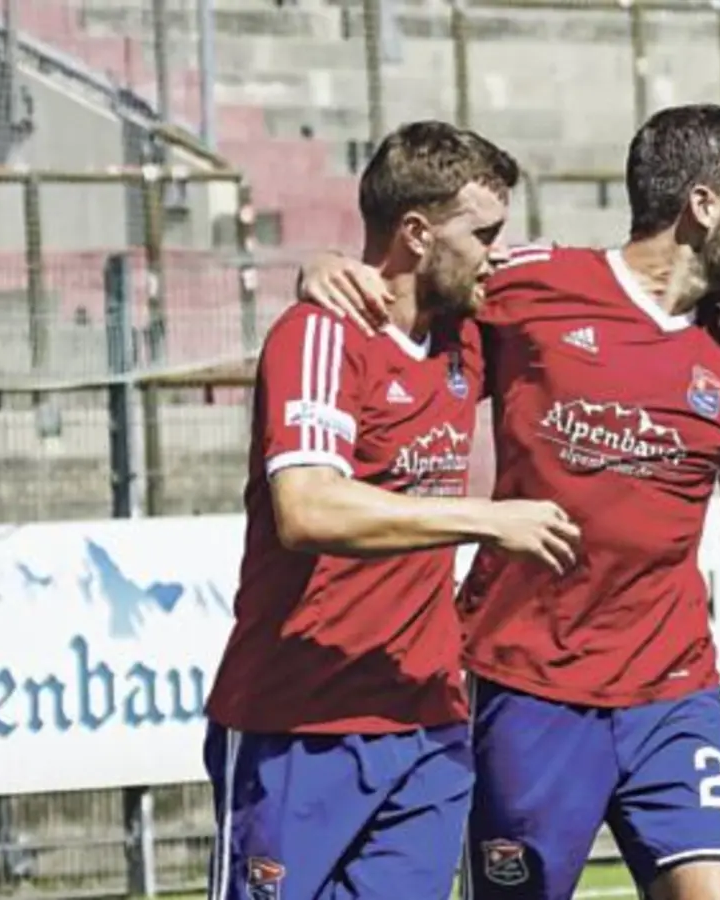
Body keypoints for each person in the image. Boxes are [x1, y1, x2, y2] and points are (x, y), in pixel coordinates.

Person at [297, 104, 720, 900]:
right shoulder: (534, 284)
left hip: (673, 689)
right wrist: (324, 266)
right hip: (524, 688)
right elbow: (416, 277)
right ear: (703, 204)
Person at [201, 120, 582, 900]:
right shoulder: (320, 334)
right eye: (483, 234)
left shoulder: (468, 336)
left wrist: (717, 300)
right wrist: (486, 518)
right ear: (415, 232)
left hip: (426, 722)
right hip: (300, 721)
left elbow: (608, 287)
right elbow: (305, 509)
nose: (497, 254)